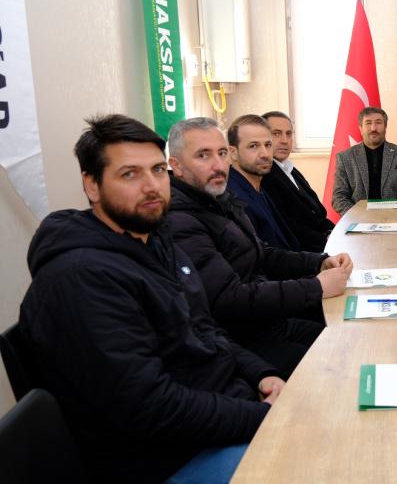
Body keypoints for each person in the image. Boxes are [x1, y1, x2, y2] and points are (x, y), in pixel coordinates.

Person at [19, 114, 282, 483]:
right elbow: (152, 408)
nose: (152, 186)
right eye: (130, 174)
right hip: (166, 460)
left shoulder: (153, 240)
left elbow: (205, 329)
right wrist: (264, 417)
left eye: (158, 170)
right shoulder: (81, 278)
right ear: (92, 185)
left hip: (216, 413)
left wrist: (261, 373)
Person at [166, 117, 352, 376]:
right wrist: (316, 286)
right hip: (244, 343)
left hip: (270, 322)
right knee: (341, 367)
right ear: (176, 165)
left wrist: (319, 261)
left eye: (221, 153)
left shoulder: (219, 199)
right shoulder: (180, 220)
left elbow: (262, 253)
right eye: (203, 155)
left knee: (351, 342)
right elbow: (228, 299)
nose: (218, 165)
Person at [260, 111, 335, 252]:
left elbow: (318, 212)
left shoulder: (290, 169)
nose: (284, 140)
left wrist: (336, 232)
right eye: (276, 133)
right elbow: (289, 228)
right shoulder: (265, 177)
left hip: (324, 242)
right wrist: (329, 241)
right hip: (307, 253)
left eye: (289, 134)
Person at [226, 113, 301, 251]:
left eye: (268, 145)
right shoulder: (233, 198)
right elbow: (261, 257)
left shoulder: (258, 187)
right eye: (253, 146)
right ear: (233, 152)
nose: (265, 154)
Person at [332, 106, 397, 214]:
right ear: (360, 128)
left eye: (378, 122)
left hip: (394, 218)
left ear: (385, 126)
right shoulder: (345, 158)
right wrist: (357, 216)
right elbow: (339, 197)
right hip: (358, 219)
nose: (373, 128)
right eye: (368, 123)